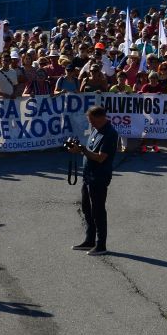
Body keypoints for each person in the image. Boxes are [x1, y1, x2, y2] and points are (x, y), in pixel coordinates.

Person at [69, 105, 120, 256]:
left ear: (101, 117)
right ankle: (89, 240)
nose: (90, 123)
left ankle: (101, 244)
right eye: (89, 120)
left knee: (98, 210)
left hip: (99, 176)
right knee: (87, 209)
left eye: (92, 120)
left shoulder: (110, 134)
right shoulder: (95, 130)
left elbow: (100, 157)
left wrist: (83, 150)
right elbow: (90, 151)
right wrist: (78, 149)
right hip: (88, 175)